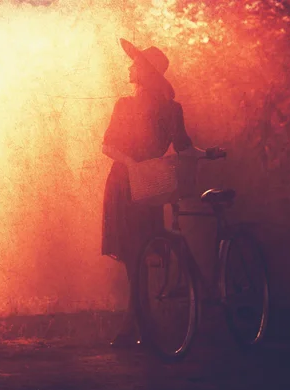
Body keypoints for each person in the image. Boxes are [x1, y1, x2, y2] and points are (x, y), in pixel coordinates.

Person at [102, 38, 204, 347]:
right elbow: (108, 145)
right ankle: (138, 321)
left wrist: (205, 153)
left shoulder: (167, 109)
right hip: (128, 183)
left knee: (140, 251)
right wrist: (133, 163)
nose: (130, 66)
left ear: (146, 72)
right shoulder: (132, 106)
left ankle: (137, 323)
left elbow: (185, 146)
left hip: (143, 185)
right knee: (136, 253)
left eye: (135, 63)